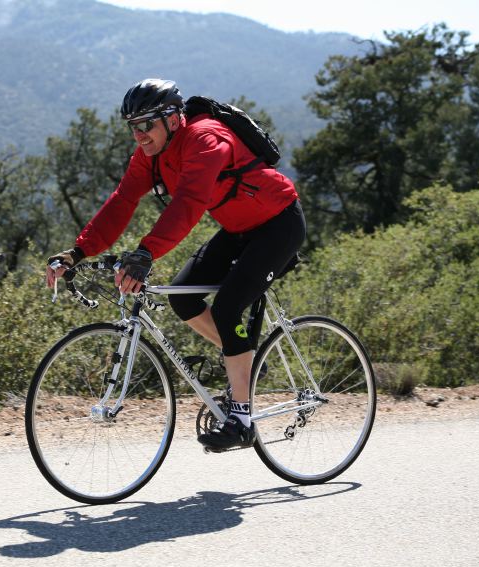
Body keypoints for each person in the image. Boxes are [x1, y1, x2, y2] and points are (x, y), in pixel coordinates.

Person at [46, 78, 306, 450]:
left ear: (172, 119)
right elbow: (121, 202)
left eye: (145, 124)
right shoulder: (151, 156)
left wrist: (146, 252)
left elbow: (189, 202)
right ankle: (245, 360)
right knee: (184, 298)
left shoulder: (206, 138)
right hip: (238, 228)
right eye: (132, 127)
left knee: (229, 305)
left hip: (278, 224)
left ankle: (242, 420)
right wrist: (78, 252)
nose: (138, 135)